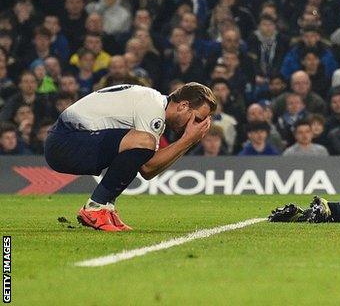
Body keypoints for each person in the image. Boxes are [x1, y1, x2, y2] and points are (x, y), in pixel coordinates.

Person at [44, 83, 217, 232]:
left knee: (140, 146)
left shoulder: (154, 105)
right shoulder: (153, 108)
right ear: (183, 105)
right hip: (64, 143)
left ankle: (106, 207)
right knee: (144, 141)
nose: (197, 126)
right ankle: (96, 206)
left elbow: (145, 169)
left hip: (70, 140)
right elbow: (148, 166)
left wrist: (187, 141)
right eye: (198, 118)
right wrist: (188, 140)